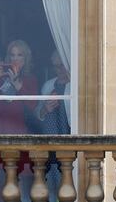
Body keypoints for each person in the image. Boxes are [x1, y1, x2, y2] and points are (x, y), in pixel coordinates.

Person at [0, 40, 38, 201]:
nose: (15, 58)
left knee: (23, 187)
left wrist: (18, 85)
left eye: (19, 55)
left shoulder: (30, 80)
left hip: (21, 136)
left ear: (26, 60)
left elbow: (33, 106)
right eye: (12, 54)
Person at [35, 51, 71, 202]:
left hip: (70, 139)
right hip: (51, 143)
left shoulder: (76, 85)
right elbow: (37, 113)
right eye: (56, 67)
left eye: (62, 66)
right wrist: (45, 109)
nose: (60, 70)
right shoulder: (48, 85)